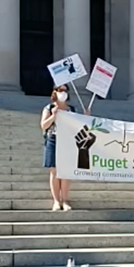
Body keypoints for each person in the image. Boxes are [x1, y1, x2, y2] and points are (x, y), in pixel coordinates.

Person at [40, 84, 89, 212]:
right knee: (54, 171)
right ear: (55, 92)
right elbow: (44, 126)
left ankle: (65, 200)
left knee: (66, 172)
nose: (63, 93)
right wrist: (53, 115)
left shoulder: (71, 110)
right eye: (60, 90)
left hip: (68, 141)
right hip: (53, 140)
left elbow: (78, 127)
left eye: (65, 90)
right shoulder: (49, 108)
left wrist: (86, 118)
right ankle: (56, 201)